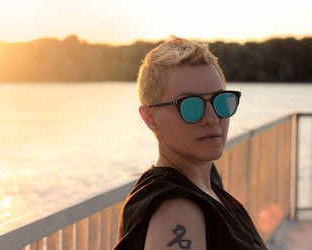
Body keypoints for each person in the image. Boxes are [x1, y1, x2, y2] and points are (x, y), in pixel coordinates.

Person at [114, 36, 267, 250]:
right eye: (191, 106)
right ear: (151, 119)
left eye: (219, 101)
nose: (212, 119)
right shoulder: (176, 210)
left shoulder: (206, 181)